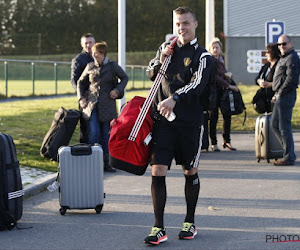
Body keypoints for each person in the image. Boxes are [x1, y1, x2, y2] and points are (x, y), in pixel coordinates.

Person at [144, 6, 214, 245]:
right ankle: (158, 227)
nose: (181, 28)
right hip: (163, 122)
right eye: (177, 24)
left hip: (189, 124)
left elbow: (198, 84)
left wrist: (175, 98)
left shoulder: (203, 56)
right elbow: (150, 72)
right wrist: (159, 61)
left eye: (185, 23)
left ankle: (189, 221)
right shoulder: (166, 50)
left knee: (189, 171)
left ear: (195, 25)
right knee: (157, 169)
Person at [77, 41, 128, 172]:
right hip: (92, 104)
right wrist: (81, 98)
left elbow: (124, 78)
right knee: (94, 132)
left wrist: (117, 90)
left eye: (97, 54)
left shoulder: (113, 66)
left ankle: (106, 162)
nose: (94, 56)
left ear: (103, 54)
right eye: (93, 54)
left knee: (106, 134)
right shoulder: (89, 66)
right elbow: (80, 82)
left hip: (107, 105)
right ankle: (92, 161)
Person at [271, 34, 300, 166]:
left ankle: (289, 157)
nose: (281, 47)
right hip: (280, 95)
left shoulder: (292, 57)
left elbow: (291, 79)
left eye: (284, 44)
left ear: (290, 44)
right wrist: (276, 93)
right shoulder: (285, 57)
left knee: (283, 127)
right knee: (275, 124)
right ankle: (289, 153)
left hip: (286, 96)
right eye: (279, 44)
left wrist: (280, 93)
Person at [207, 37, 239, 152]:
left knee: (227, 115)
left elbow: (221, 73)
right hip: (214, 91)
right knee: (213, 117)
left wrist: (227, 75)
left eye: (217, 47)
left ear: (221, 49)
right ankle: (214, 143)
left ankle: (227, 141)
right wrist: (229, 85)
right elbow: (214, 77)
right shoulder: (209, 60)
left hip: (223, 91)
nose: (215, 50)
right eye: (213, 48)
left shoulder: (222, 59)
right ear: (210, 49)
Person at [71, 33, 95, 143]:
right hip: (86, 98)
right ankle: (84, 150)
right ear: (82, 45)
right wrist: (81, 97)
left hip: (98, 97)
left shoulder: (99, 57)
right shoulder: (78, 60)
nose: (88, 45)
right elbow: (74, 80)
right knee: (85, 126)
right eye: (86, 43)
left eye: (90, 42)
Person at [254, 43, 280, 113]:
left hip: (275, 97)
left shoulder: (280, 66)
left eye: (267, 52)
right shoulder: (266, 65)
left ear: (273, 52)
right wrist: (260, 81)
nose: (266, 54)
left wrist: (269, 84)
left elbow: (282, 81)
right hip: (265, 98)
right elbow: (257, 78)